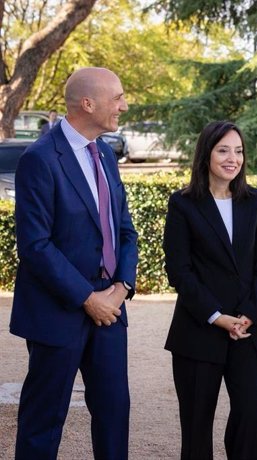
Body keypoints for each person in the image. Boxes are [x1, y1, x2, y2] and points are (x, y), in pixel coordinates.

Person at [10, 67, 138, 459]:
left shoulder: (104, 152)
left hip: (110, 311)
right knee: (43, 422)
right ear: (88, 103)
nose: (124, 104)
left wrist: (120, 288)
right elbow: (35, 245)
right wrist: (87, 297)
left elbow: (125, 230)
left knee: (115, 414)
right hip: (57, 311)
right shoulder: (39, 158)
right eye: (116, 97)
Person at [163, 121, 257, 460]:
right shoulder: (183, 204)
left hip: (248, 330)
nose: (233, 158)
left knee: (250, 420)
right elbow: (179, 271)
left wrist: (247, 316)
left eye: (239, 151)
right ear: (206, 154)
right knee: (197, 428)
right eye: (224, 150)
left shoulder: (255, 201)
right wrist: (216, 316)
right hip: (199, 331)